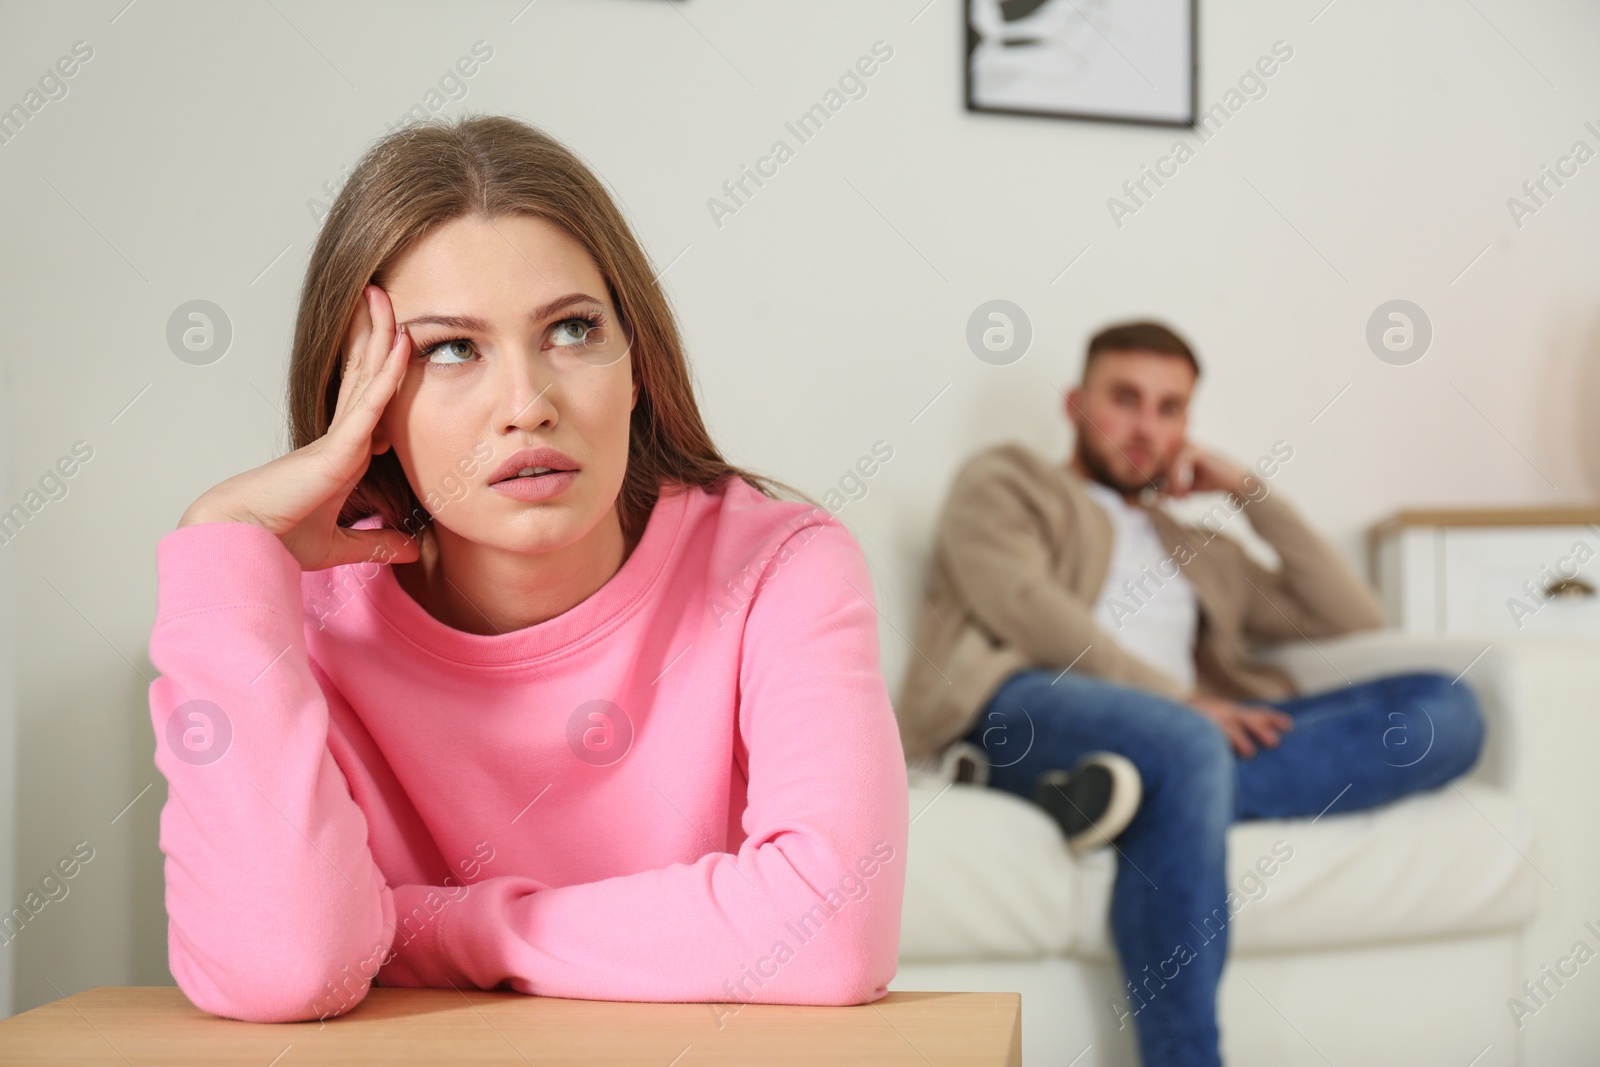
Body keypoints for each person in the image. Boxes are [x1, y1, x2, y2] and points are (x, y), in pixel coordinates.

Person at [146, 114, 907, 1024]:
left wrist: (437, 930)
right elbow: (288, 967)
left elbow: (833, 933)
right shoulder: (298, 620)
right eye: (452, 349)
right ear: (370, 406)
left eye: (574, 331)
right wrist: (220, 537)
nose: (528, 404)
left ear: (637, 368)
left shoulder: (780, 569)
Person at [895, 320, 1485, 1067]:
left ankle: (1122, 793)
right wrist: (1178, 701)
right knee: (1188, 743)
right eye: (1126, 398)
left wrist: (1245, 489)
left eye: (1170, 408)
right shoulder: (1006, 480)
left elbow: (1351, 615)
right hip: (1027, 704)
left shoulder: (1194, 546)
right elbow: (1028, 607)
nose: (1146, 426)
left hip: (1185, 734)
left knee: (1447, 710)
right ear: (1077, 403)